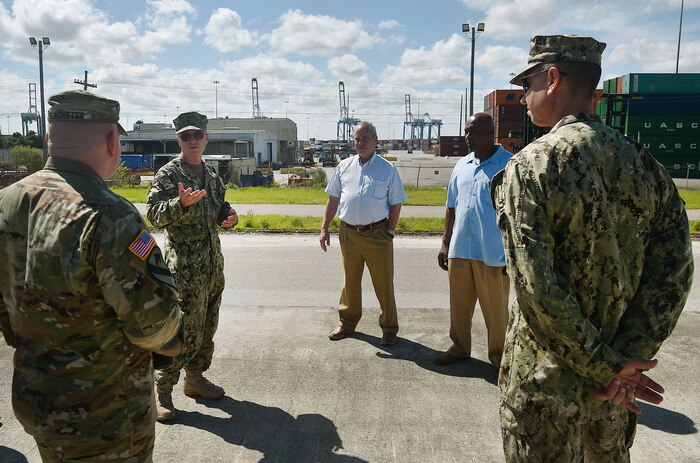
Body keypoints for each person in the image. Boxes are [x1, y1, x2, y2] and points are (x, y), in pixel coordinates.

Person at [491, 35, 694, 462]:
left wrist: (606, 367)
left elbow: (537, 290)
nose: (525, 97)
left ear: (552, 78)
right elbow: (675, 271)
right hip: (612, 401)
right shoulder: (644, 164)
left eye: (527, 85)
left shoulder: (530, 167)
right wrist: (628, 361)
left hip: (546, 393)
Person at [0, 89, 183, 462]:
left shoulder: (8, 201)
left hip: (36, 397)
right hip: (104, 415)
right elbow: (154, 325)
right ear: (113, 141)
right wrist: (175, 344)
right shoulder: (108, 215)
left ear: (49, 138)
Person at [147, 111, 238, 422]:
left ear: (206, 138)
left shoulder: (212, 176)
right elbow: (154, 215)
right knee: (178, 330)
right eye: (186, 136)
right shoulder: (168, 174)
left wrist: (229, 218)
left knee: (206, 327)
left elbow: (219, 212)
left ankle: (195, 380)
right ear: (178, 140)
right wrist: (179, 204)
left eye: (198, 135)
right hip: (183, 269)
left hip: (212, 267)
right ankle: (162, 391)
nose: (193, 141)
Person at [434, 113, 512, 368]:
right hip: (460, 249)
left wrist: (511, 255)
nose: (468, 137)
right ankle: (459, 347)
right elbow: (451, 207)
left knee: (496, 313)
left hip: (493, 253)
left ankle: (500, 358)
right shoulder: (462, 165)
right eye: (467, 131)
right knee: (459, 307)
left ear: (491, 133)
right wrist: (445, 243)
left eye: (474, 132)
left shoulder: (509, 165)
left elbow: (516, 215)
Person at [320, 121, 407, 346]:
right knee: (350, 282)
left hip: (378, 234)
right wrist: (324, 227)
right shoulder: (344, 166)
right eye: (357, 139)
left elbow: (396, 203)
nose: (360, 143)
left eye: (365, 139)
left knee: (383, 283)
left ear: (375, 141)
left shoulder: (387, 169)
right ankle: (347, 323)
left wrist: (390, 231)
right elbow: (333, 198)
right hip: (348, 233)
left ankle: (389, 328)